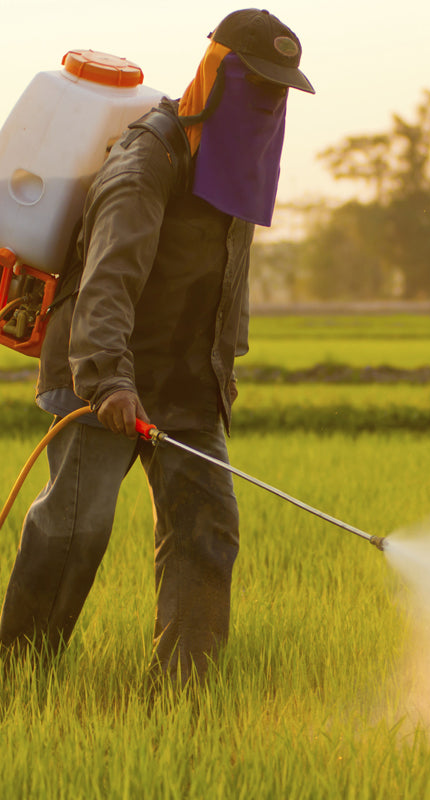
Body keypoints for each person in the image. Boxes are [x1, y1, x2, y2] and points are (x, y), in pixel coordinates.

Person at [0, 9, 314, 684]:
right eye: (257, 81)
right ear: (216, 74)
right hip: (100, 372)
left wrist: (223, 366)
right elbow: (108, 280)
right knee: (76, 528)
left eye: (280, 87)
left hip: (184, 381)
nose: (269, 99)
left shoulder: (237, 168)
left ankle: (181, 696)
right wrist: (110, 379)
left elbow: (232, 275)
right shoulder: (147, 162)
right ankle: (18, 678)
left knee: (208, 529)